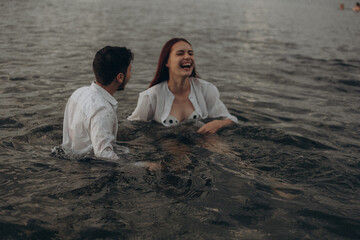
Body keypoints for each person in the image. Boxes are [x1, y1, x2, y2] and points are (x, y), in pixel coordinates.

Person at [128, 38, 237, 133]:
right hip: (167, 144)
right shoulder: (151, 96)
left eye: (190, 53)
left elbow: (231, 120)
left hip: (202, 140)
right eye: (180, 53)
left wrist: (218, 124)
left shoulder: (206, 89)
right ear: (167, 62)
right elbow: (132, 126)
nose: (187, 57)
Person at [61, 46, 133, 160]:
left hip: (70, 161)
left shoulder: (79, 92)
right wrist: (140, 166)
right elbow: (104, 155)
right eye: (130, 70)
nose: (130, 75)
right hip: (88, 171)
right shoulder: (102, 109)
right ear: (120, 77)